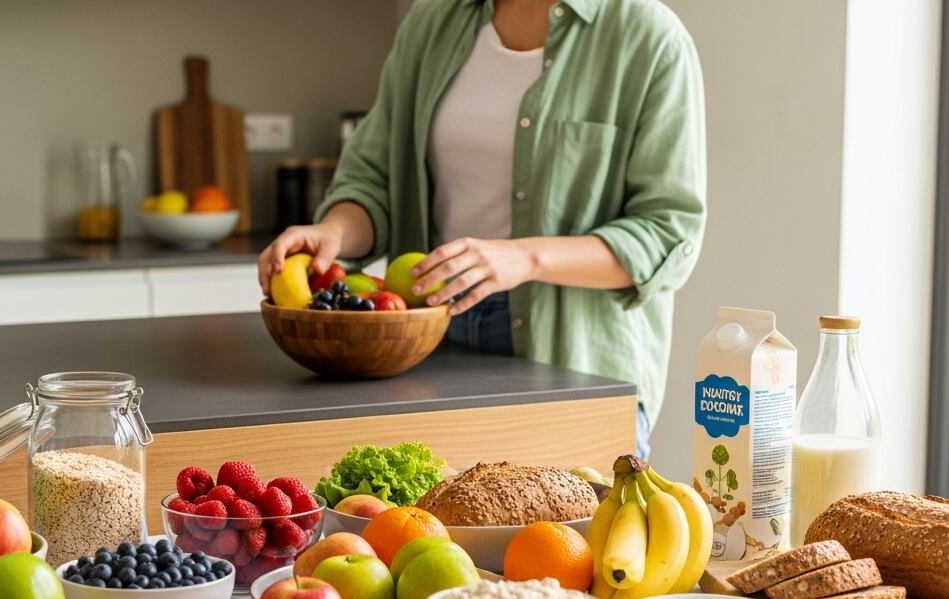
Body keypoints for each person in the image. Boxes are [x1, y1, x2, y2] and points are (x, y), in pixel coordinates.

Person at [258, 0, 706, 458]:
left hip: (576, 358)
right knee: (427, 528)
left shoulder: (649, 37)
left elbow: (667, 233)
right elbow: (375, 179)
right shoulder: (433, 21)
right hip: (430, 340)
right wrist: (334, 231)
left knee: (568, 530)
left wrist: (524, 257)